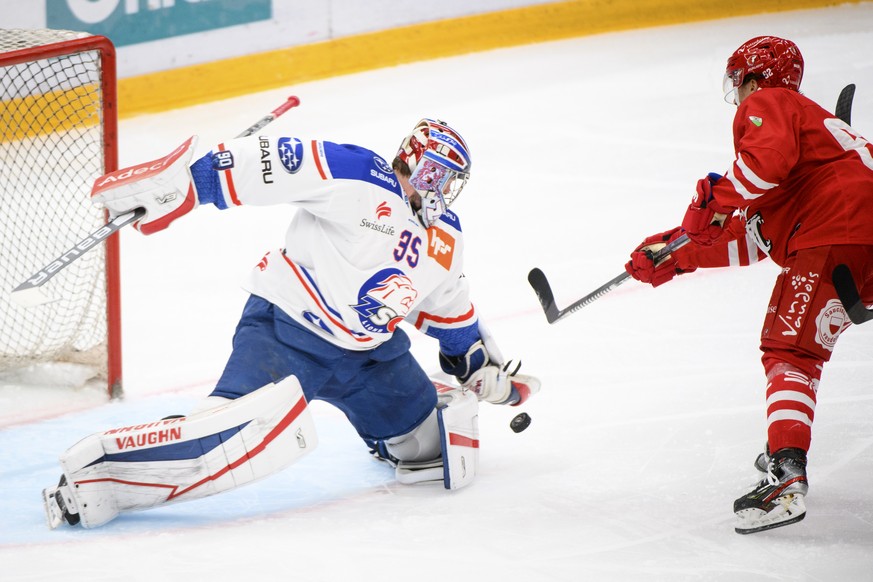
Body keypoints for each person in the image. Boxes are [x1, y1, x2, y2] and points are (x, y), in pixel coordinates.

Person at [43, 118, 540, 529]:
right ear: (416, 165)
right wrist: (190, 186)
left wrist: (477, 365)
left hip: (372, 358)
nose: (445, 191)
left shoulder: (445, 237)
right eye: (440, 176)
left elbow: (448, 309)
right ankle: (100, 473)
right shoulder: (364, 179)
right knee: (227, 438)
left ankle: (389, 425)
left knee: (433, 447)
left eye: (453, 182)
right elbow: (276, 163)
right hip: (287, 332)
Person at [624, 36, 873, 534]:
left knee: (791, 352)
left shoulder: (772, 103)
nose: (738, 98)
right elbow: (756, 236)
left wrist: (711, 199)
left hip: (838, 233)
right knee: (800, 346)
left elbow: (763, 164)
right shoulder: (818, 141)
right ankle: (786, 444)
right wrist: (680, 254)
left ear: (753, 79)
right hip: (854, 239)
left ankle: (786, 475)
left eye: (738, 85)